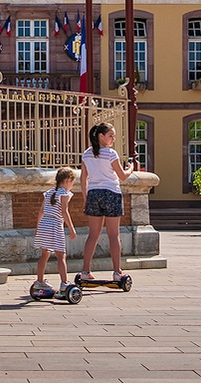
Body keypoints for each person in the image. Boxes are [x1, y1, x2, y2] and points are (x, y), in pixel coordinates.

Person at [78, 122, 135, 286]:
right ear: (100, 136)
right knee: (113, 235)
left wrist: (85, 198)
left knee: (93, 234)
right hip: (111, 193)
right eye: (110, 135)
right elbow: (122, 176)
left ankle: (85, 271)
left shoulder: (87, 154)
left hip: (94, 194)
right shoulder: (111, 154)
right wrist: (130, 168)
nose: (113, 139)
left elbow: (83, 178)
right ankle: (117, 272)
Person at [31, 167, 77, 298]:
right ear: (68, 180)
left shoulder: (49, 192)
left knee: (44, 254)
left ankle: (39, 281)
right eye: (72, 183)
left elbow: (41, 211)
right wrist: (71, 228)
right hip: (55, 224)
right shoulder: (64, 194)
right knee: (61, 255)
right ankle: (64, 283)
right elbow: (64, 212)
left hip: (44, 223)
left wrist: (38, 226)